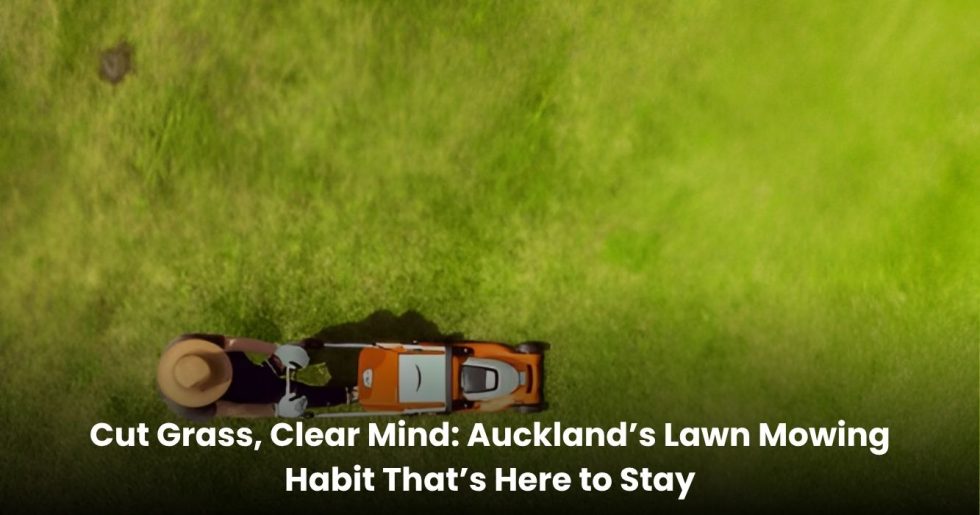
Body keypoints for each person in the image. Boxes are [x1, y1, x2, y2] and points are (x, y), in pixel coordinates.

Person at [156, 333, 352, 421]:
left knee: (259, 376)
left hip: (220, 358)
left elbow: (230, 342)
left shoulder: (186, 344)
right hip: (229, 391)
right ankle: (349, 394)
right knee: (287, 393)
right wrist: (279, 410)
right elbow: (236, 409)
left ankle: (280, 360)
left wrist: (279, 350)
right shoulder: (191, 408)